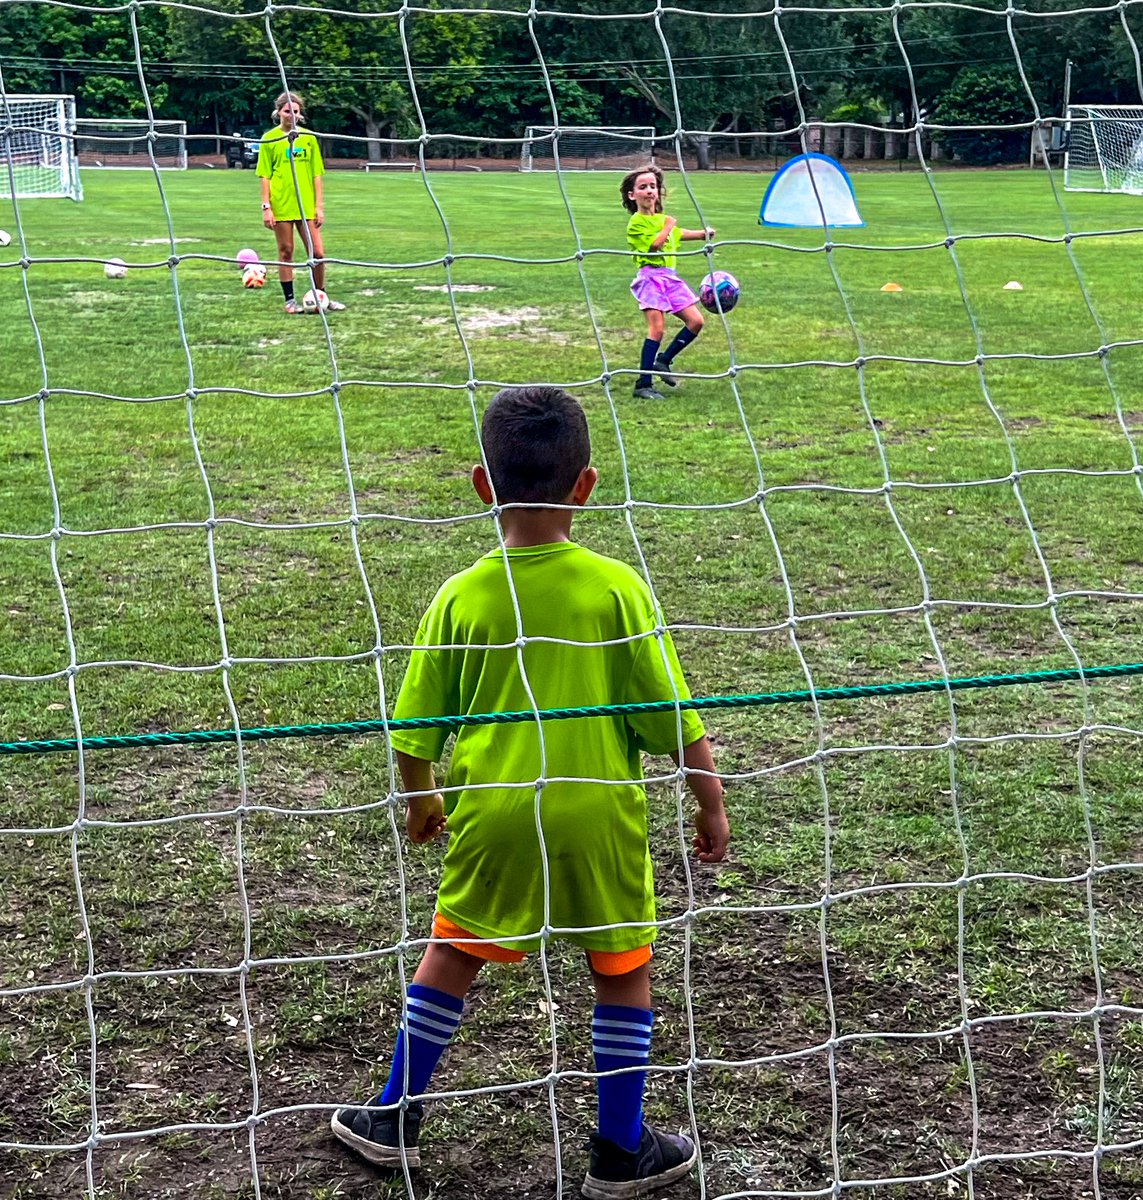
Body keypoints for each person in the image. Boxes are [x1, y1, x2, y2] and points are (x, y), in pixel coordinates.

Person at [331, 386, 730, 1198]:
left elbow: (412, 731)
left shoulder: (460, 595)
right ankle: (620, 1149)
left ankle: (394, 1115)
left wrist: (421, 801)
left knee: (453, 950)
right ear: (585, 486)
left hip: (497, 815)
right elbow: (674, 714)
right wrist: (709, 799)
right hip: (596, 812)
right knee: (621, 967)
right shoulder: (616, 588)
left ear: (482, 485)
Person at [621, 164, 714, 400]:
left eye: (653, 186)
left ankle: (663, 361)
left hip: (671, 278)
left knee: (696, 321)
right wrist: (669, 225)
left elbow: (679, 233)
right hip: (651, 278)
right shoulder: (637, 222)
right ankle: (643, 384)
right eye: (643, 187)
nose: (650, 191)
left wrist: (703, 234)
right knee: (657, 329)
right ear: (633, 195)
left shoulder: (663, 220)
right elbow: (655, 244)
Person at [256, 90, 346, 315]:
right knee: (286, 251)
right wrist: (267, 207)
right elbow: (265, 175)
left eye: (296, 112)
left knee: (318, 253)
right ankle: (289, 301)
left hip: (306, 205)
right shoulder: (269, 139)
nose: (292, 116)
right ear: (279, 113)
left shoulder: (309, 138)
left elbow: (317, 174)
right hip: (282, 204)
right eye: (288, 111)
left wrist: (319, 206)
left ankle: (321, 295)